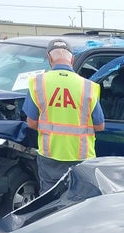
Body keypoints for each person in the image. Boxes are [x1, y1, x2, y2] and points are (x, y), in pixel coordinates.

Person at [23, 39, 105, 193]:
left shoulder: (37, 83)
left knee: (50, 199)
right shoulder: (89, 87)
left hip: (50, 154)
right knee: (80, 199)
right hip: (82, 156)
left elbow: (31, 123)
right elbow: (100, 126)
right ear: (72, 59)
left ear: (49, 58)